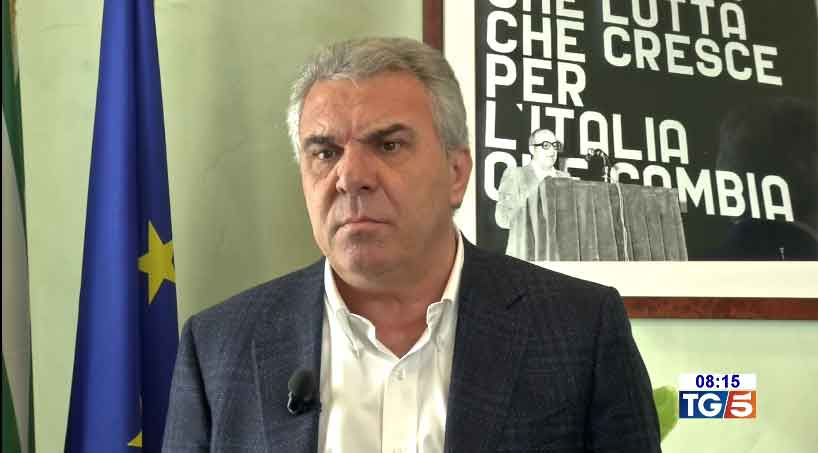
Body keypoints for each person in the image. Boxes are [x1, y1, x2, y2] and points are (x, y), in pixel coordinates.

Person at [162, 37, 660, 452]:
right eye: (325, 153)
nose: (350, 177)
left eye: (389, 145)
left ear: (456, 173)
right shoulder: (219, 348)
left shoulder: (581, 330)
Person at [495, 128, 570, 259]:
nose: (552, 151)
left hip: (559, 257)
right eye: (545, 145)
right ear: (532, 149)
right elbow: (503, 218)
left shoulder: (566, 178)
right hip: (525, 256)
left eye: (555, 145)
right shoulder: (516, 175)